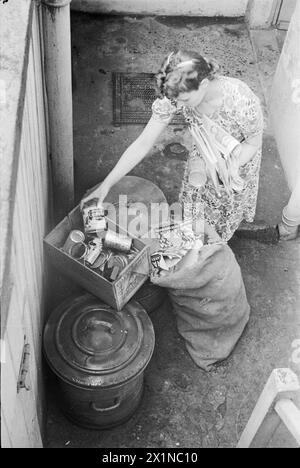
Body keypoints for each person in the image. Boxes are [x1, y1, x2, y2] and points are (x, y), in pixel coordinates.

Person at [81, 50, 264, 241]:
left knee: (219, 218)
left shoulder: (241, 100)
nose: (177, 104)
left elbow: (253, 143)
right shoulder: (176, 93)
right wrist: (107, 184)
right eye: (175, 99)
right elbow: (143, 143)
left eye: (183, 100)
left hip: (236, 163)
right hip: (201, 158)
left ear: (203, 84)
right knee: (193, 211)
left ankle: (214, 247)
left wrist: (222, 172)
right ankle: (192, 241)